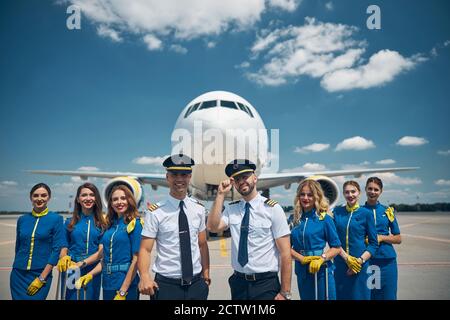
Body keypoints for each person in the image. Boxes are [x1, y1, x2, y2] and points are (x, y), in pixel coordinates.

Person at [207, 159, 292, 300]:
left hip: (265, 283)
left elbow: (285, 253)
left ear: (255, 177)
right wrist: (220, 195)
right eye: (237, 179)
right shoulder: (232, 208)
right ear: (233, 183)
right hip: (238, 283)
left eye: (245, 176)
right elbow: (213, 227)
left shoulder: (272, 209)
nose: (242, 181)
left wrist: (285, 292)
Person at [138, 154, 210, 300]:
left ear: (189, 177)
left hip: (196, 285)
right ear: (167, 177)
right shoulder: (156, 212)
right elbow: (145, 249)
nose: (179, 179)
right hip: (166, 287)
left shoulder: (199, 209)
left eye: (184, 174)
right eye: (174, 174)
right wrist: (145, 277)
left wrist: (206, 274)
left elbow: (202, 244)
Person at [75, 185, 142, 300]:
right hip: (108, 284)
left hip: (126, 285)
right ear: (110, 203)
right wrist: (87, 272)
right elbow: (104, 257)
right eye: (115, 199)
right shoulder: (110, 226)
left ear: (129, 200)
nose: (119, 202)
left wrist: (122, 292)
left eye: (123, 198)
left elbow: (136, 260)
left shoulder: (135, 224)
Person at [10, 183, 65, 300]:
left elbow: (56, 250)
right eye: (36, 195)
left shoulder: (56, 219)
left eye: (43, 195)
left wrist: (42, 278)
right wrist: (16, 266)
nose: (39, 198)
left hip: (40, 273)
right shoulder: (22, 219)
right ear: (31, 198)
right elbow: (18, 246)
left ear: (49, 198)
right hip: (18, 275)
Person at [290, 179, 341, 300]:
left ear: (316, 196)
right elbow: (286, 247)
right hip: (302, 270)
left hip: (321, 271)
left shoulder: (324, 219)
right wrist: (301, 258)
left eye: (310, 195)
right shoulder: (294, 219)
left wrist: (322, 259)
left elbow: (336, 247)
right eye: (302, 194)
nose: (305, 198)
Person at [56, 183, 107, 300]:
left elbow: (101, 251)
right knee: (70, 297)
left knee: (91, 297)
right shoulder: (69, 222)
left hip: (93, 269)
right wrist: (63, 257)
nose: (88, 198)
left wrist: (82, 263)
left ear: (96, 199)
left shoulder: (103, 224)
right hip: (72, 267)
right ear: (78, 199)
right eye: (84, 195)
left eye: (92, 195)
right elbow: (64, 246)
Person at [332, 180, 378, 300]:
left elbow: (373, 244)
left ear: (359, 193)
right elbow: (333, 240)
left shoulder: (366, 214)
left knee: (360, 297)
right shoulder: (337, 213)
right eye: (347, 192)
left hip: (360, 266)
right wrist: (346, 258)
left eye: (353, 191)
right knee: (341, 296)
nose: (350, 195)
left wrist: (359, 261)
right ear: (343, 194)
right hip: (340, 264)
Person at [363, 177, 402, 300]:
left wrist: (381, 238)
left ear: (381, 191)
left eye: (376, 189)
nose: (372, 192)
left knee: (388, 295)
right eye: (370, 189)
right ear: (365, 189)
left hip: (387, 260)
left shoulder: (387, 211)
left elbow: (398, 238)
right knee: (367, 295)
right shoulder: (359, 211)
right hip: (366, 260)